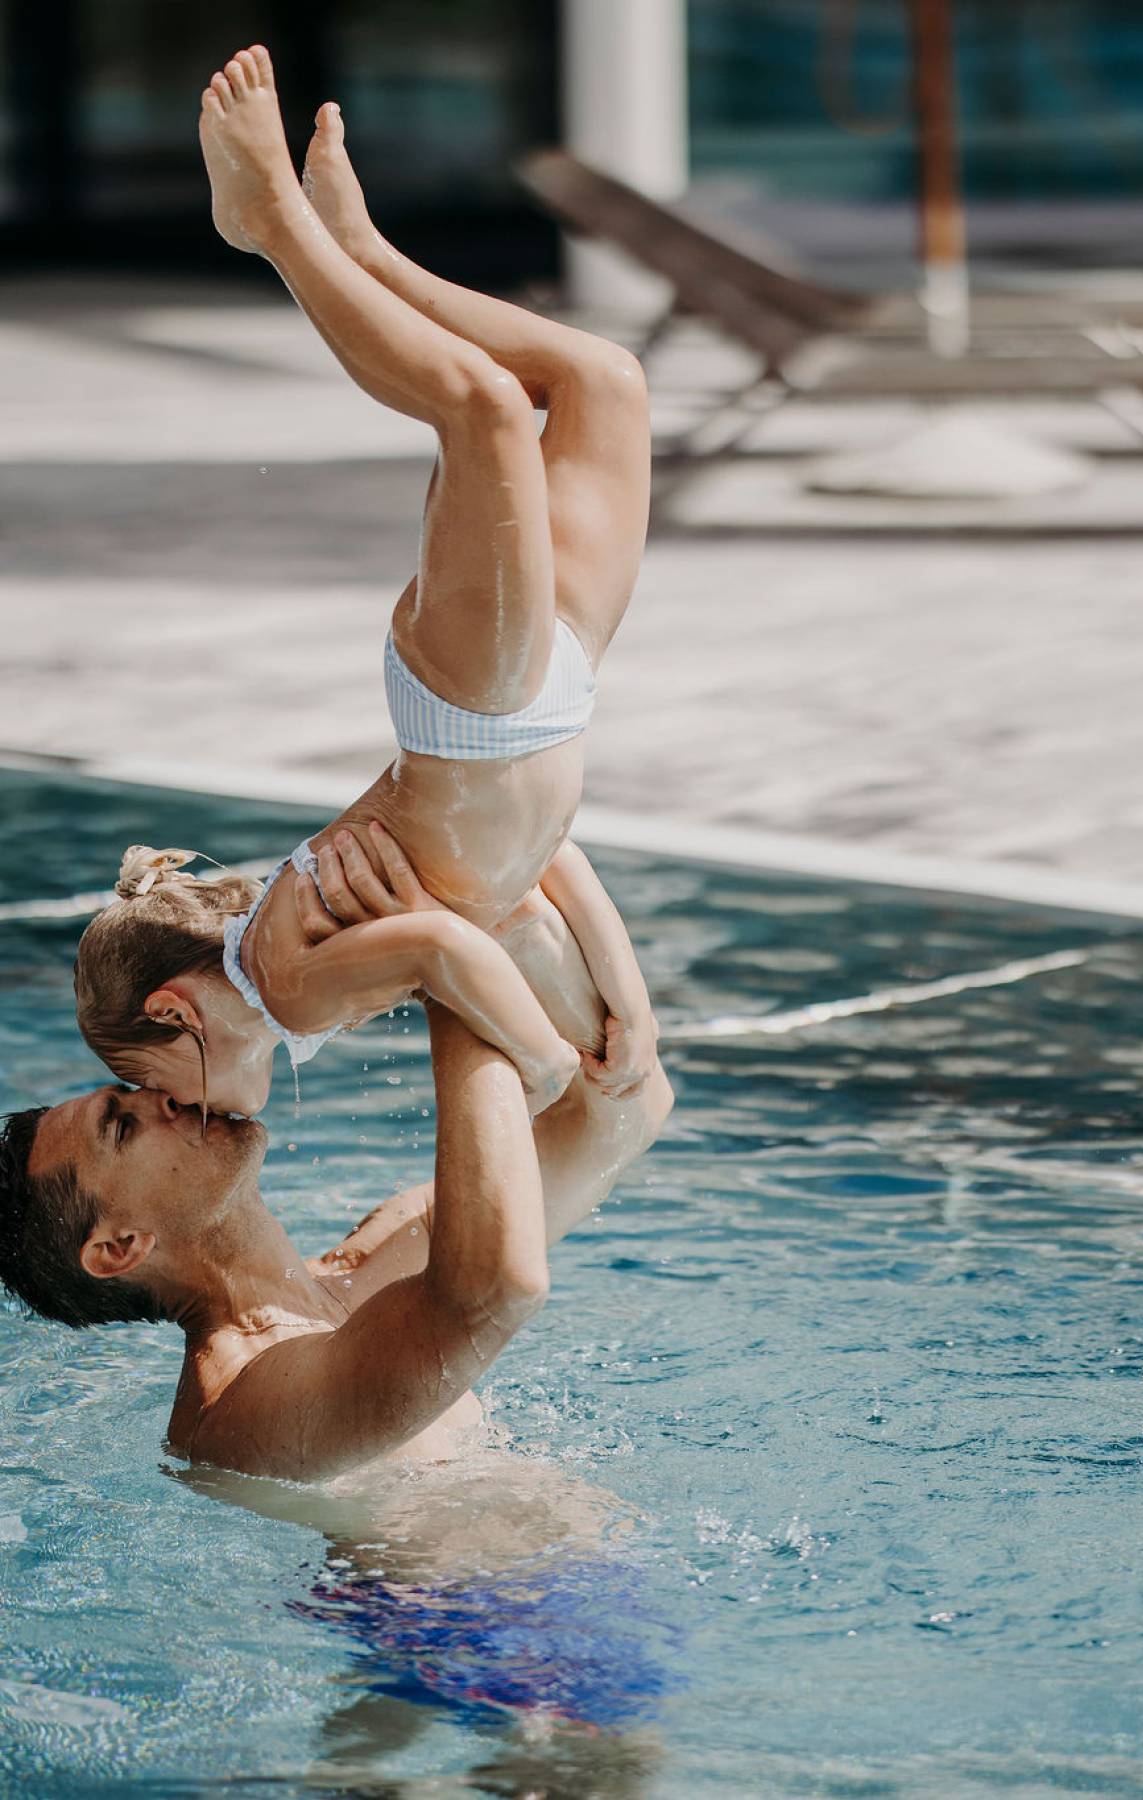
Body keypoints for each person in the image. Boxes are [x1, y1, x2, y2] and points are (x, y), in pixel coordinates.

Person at [73, 43, 657, 1121]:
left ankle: (276, 230)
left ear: (173, 1015)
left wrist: (537, 1063)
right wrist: (629, 1003)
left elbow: (441, 942)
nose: (184, 1116)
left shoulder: (284, 993)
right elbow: (541, 860)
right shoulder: (285, 965)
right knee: (600, 383)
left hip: (484, 708)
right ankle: (364, 253)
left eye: (150, 1091)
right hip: (547, 695)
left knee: (481, 408)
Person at [0, 988, 672, 1480]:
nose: (164, 1095)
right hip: (465, 1658)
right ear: (120, 1248)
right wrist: (449, 980)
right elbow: (496, 1288)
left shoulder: (362, 1267)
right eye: (123, 1126)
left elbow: (618, 1123)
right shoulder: (235, 1407)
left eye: (135, 1090)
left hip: (599, 1631)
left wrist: (618, 1014)